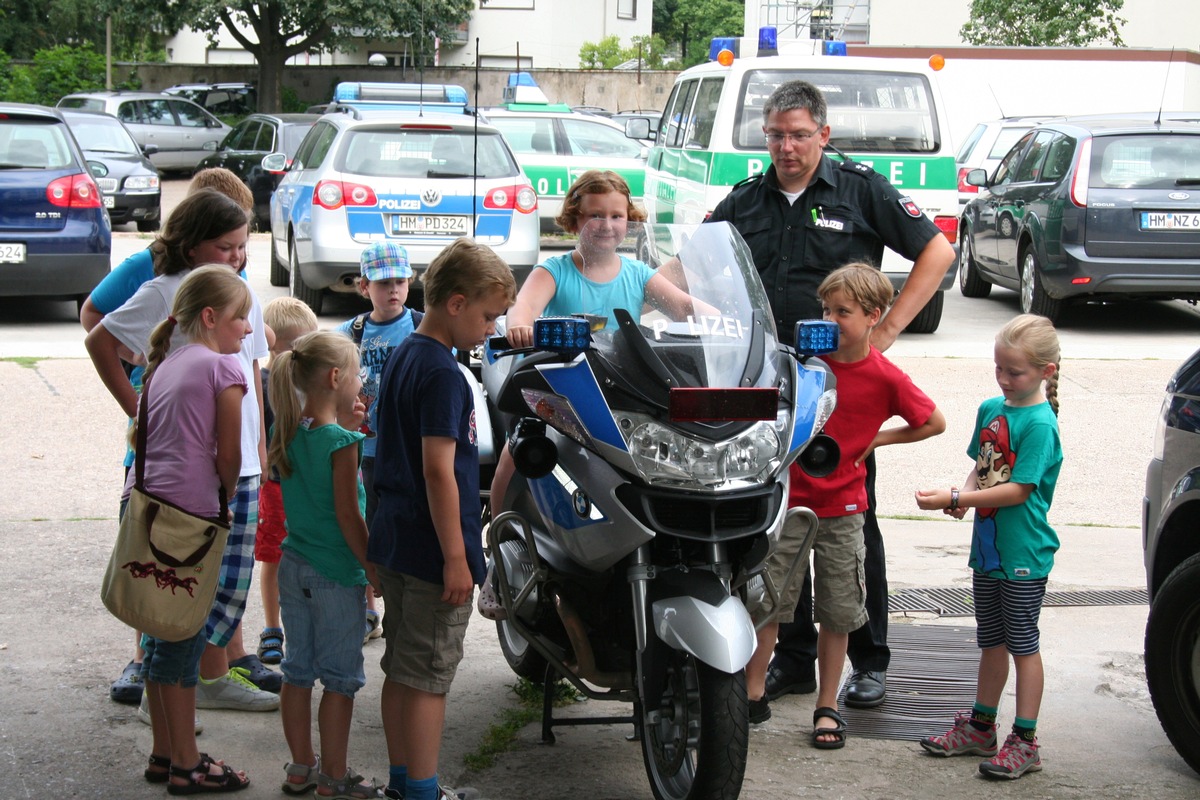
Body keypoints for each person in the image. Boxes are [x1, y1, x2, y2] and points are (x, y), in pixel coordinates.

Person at [707, 79, 957, 708]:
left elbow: (937, 250)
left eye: (798, 134)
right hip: (769, 388)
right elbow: (697, 264)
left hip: (839, 391)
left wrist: (891, 327)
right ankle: (790, 657)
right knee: (778, 524)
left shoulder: (860, 188)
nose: (786, 147)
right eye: (775, 135)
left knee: (852, 523)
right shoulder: (745, 199)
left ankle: (869, 659)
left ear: (824, 134)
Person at [85, 188, 281, 717]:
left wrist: (260, 451)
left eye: (243, 246)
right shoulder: (162, 291)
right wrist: (139, 414)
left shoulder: (241, 293)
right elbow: (99, 340)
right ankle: (165, 689)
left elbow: (254, 374)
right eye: (225, 247)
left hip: (239, 470)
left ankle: (212, 677)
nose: (237, 257)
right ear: (191, 245)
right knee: (178, 585)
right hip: (192, 481)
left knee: (229, 585)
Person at [747, 264, 945, 746]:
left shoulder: (883, 375)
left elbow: (933, 421)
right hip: (792, 504)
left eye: (843, 312)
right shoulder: (806, 367)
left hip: (844, 509)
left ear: (874, 316)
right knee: (770, 601)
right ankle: (750, 694)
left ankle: (828, 705)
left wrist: (876, 439)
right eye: (825, 310)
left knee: (838, 611)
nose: (829, 320)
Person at [368, 238, 516, 800]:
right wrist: (458, 557)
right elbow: (438, 471)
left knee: (402, 669)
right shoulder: (444, 376)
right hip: (433, 552)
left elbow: (381, 455)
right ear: (455, 304)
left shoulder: (405, 352)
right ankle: (424, 791)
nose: (489, 329)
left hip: (397, 539)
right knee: (428, 679)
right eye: (486, 316)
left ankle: (403, 781)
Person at [490, 170, 704, 515]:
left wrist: (730, 322)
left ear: (629, 221)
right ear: (575, 220)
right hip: (561, 393)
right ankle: (497, 529)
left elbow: (684, 306)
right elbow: (525, 305)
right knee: (516, 451)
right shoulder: (554, 271)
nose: (607, 224)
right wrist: (520, 326)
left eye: (617, 216)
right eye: (596, 215)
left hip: (621, 391)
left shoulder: (638, 275)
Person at [915, 314, 1062, 780]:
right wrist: (962, 496)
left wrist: (959, 498)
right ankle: (981, 726)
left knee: (1022, 644)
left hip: (1024, 556)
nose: (1003, 378)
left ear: (1046, 371)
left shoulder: (1040, 424)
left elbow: (1018, 490)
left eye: (1014, 371)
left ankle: (1025, 739)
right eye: (998, 368)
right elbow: (982, 468)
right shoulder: (991, 409)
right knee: (991, 641)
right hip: (990, 551)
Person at [132, 264, 252, 793]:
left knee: (160, 640)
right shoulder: (222, 370)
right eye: (241, 317)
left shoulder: (167, 363)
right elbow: (229, 455)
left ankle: (164, 753)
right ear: (210, 317)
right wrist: (225, 502)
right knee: (183, 643)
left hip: (152, 514)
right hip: (194, 522)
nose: (247, 329)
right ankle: (187, 762)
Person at [268, 330, 383, 798]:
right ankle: (335, 777)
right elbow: (348, 515)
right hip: (335, 574)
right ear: (337, 377)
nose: (361, 384)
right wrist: (373, 570)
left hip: (293, 566)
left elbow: (317, 475)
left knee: (297, 671)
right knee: (339, 679)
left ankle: (301, 768)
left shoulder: (290, 431)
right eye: (357, 375)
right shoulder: (341, 443)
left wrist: (348, 429)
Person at [335, 241, 423, 644]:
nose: (394, 290)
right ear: (364, 286)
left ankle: (402, 607)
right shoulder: (350, 332)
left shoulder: (422, 326)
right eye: (384, 282)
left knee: (404, 526)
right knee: (367, 527)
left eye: (401, 281)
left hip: (408, 448)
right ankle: (370, 610)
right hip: (365, 448)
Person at [255, 297, 320, 666]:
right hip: (277, 487)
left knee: (309, 555)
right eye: (297, 348)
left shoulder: (313, 384)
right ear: (272, 348)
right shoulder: (261, 383)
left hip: (311, 486)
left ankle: (308, 622)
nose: (305, 356)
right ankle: (271, 628)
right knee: (273, 556)